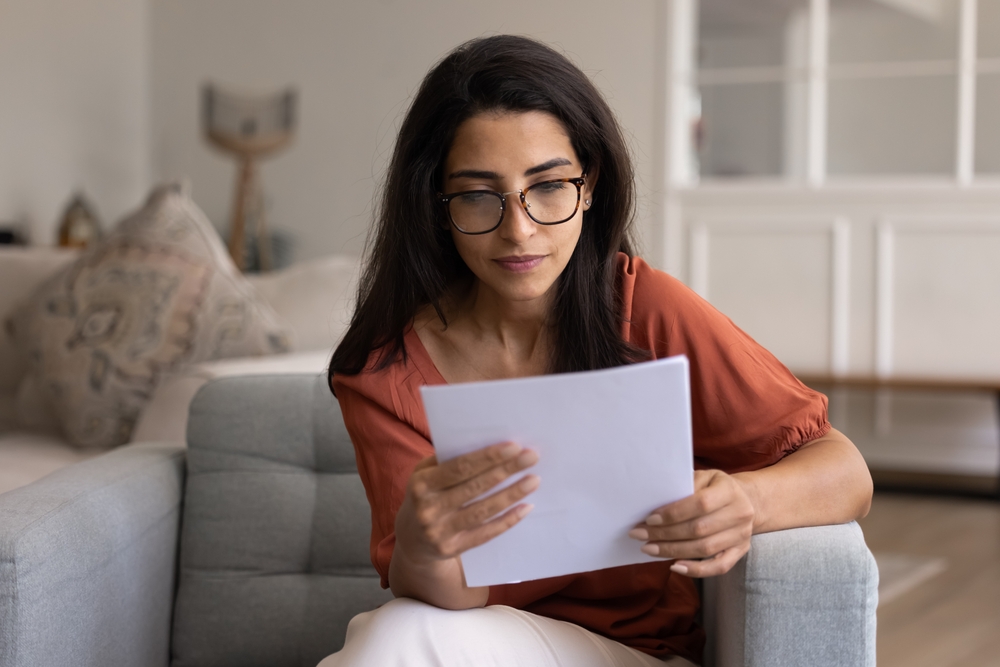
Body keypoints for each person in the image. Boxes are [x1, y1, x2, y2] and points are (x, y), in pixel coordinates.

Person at [322, 35, 872, 667]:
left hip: (635, 653)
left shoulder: (646, 309)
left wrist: (747, 501)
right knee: (398, 632)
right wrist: (423, 545)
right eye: (478, 195)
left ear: (590, 186)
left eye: (549, 185)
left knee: (395, 641)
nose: (519, 229)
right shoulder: (382, 371)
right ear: (436, 207)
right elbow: (442, 596)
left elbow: (846, 471)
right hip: (468, 642)